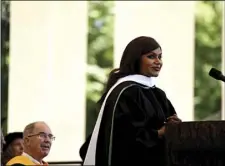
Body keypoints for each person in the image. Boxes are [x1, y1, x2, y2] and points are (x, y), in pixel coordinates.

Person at [80, 36, 182, 166]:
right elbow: (124, 137)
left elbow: (167, 122)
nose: (158, 62)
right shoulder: (126, 92)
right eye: (151, 56)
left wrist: (173, 124)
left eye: (160, 57)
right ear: (136, 59)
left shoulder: (157, 93)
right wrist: (159, 133)